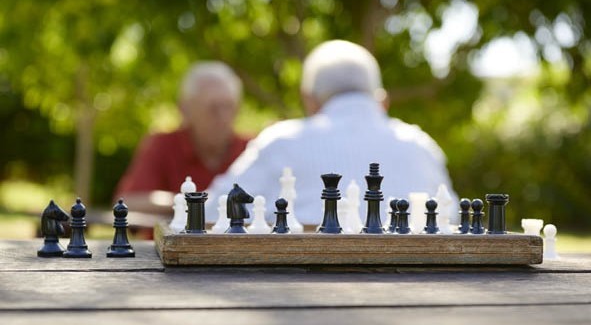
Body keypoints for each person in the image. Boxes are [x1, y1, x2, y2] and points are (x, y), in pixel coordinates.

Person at [205, 40, 457, 224]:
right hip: (417, 292)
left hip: (298, 291)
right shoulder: (422, 146)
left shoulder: (280, 142)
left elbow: (209, 212)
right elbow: (453, 218)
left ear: (309, 100)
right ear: (383, 101)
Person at [115, 62, 249, 214]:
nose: (223, 117)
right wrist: (193, 204)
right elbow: (127, 202)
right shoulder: (162, 145)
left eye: (229, 107)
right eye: (213, 108)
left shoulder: (251, 149)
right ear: (185, 109)